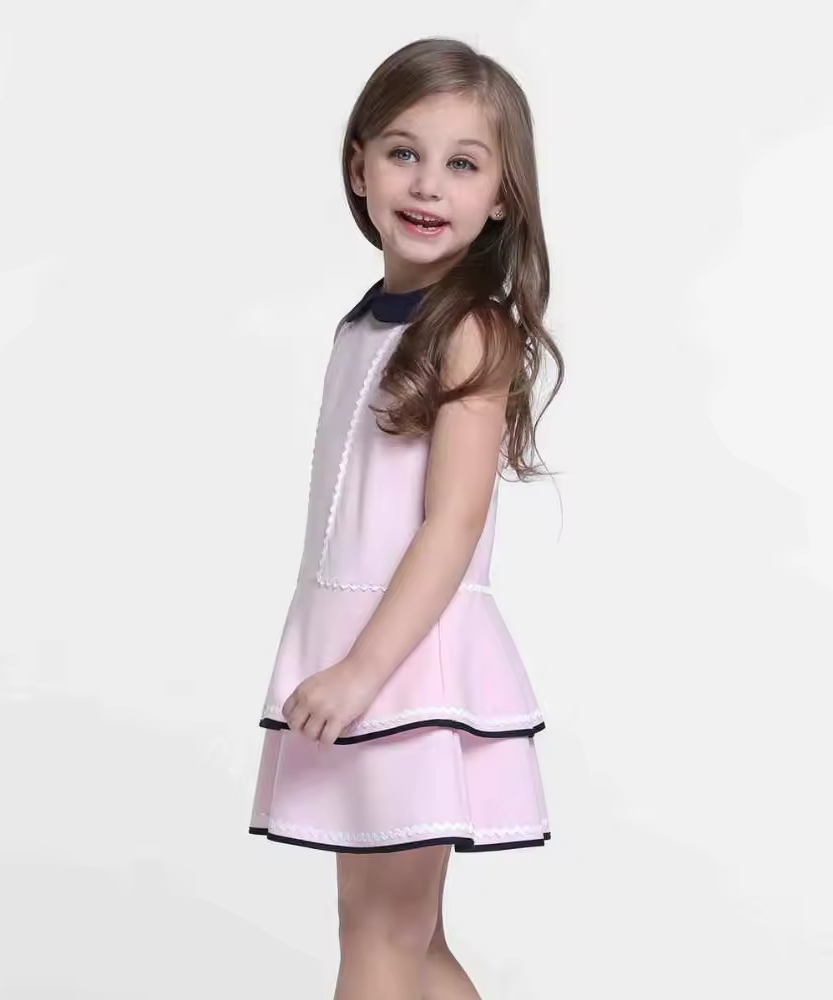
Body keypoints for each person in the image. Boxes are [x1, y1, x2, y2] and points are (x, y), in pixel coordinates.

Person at [248, 36, 564, 1000]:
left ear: (502, 195)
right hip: (357, 650)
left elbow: (451, 525)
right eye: (403, 153)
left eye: (463, 164)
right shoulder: (363, 324)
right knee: (400, 936)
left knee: (383, 935)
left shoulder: (470, 329)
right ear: (360, 167)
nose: (428, 184)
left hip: (407, 663)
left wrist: (361, 671)